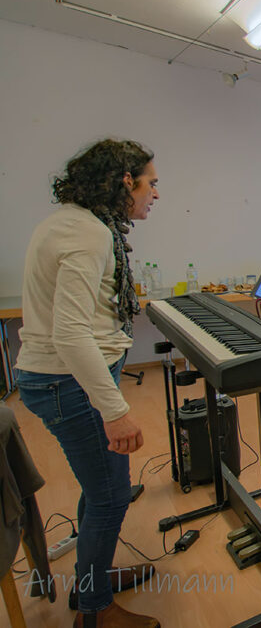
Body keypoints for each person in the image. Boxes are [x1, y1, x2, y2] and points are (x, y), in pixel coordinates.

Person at [16, 139, 160, 627]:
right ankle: (94, 611)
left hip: (64, 376)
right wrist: (115, 410)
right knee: (110, 496)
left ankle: (91, 577)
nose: (155, 194)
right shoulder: (88, 235)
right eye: (151, 183)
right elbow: (71, 332)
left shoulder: (74, 222)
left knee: (98, 488)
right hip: (67, 381)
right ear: (126, 182)